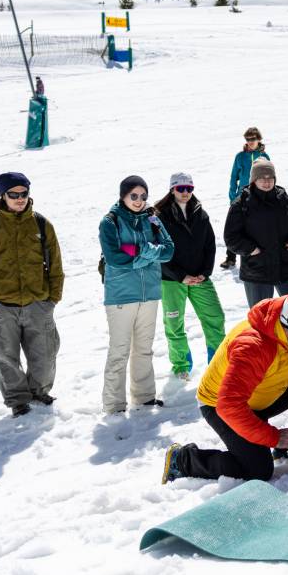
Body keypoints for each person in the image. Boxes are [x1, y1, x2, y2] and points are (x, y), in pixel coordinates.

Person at [161, 290, 288, 483]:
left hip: (266, 392)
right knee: (258, 470)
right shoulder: (252, 346)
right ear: (286, 324)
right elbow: (228, 405)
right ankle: (184, 460)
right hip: (221, 406)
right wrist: (273, 437)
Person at [0, 172, 65, 418]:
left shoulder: (42, 224)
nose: (19, 199)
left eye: (24, 193)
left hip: (38, 304)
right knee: (6, 358)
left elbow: (56, 267)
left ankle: (39, 390)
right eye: (13, 194)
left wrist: (52, 299)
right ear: (3, 196)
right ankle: (18, 400)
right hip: (1, 306)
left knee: (46, 352)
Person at [100, 175, 175, 413]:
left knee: (144, 348)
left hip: (150, 293)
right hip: (121, 296)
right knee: (119, 351)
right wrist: (147, 253)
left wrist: (141, 251)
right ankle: (114, 405)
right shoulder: (110, 221)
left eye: (143, 196)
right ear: (123, 195)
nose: (139, 200)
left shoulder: (152, 219)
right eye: (134, 195)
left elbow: (169, 250)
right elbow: (115, 257)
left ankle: (144, 397)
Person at [154, 173, 226, 382]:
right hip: (172, 280)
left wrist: (205, 272)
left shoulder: (200, 214)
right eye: (180, 188)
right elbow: (159, 252)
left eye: (189, 188)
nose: (185, 193)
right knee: (174, 323)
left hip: (200, 278)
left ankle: (218, 362)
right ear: (172, 190)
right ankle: (181, 365)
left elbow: (210, 245)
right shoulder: (160, 217)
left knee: (215, 317)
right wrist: (180, 275)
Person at [224, 159, 288, 308]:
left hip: (286, 267)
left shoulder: (284, 200)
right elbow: (231, 237)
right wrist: (250, 249)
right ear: (254, 180)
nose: (267, 182)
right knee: (261, 318)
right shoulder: (241, 204)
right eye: (262, 178)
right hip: (256, 271)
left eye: (270, 178)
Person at [222, 127, 270, 270]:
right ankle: (230, 258)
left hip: (258, 196)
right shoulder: (240, 156)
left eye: (253, 139)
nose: (250, 142)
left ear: (258, 139)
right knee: (236, 225)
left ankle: (258, 254)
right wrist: (233, 195)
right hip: (241, 196)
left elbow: (269, 176)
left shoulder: (264, 157)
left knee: (256, 226)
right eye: (248, 139)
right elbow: (233, 177)